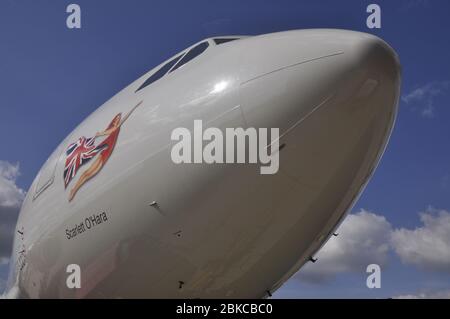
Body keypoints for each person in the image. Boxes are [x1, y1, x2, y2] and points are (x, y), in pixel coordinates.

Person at [68, 101, 143, 201]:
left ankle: (74, 189)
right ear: (113, 121)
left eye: (118, 118)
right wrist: (100, 134)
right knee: (88, 172)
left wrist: (135, 106)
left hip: (109, 150)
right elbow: (108, 132)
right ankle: (74, 189)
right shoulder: (114, 127)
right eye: (116, 119)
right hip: (106, 148)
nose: (118, 120)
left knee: (92, 173)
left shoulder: (117, 126)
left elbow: (124, 118)